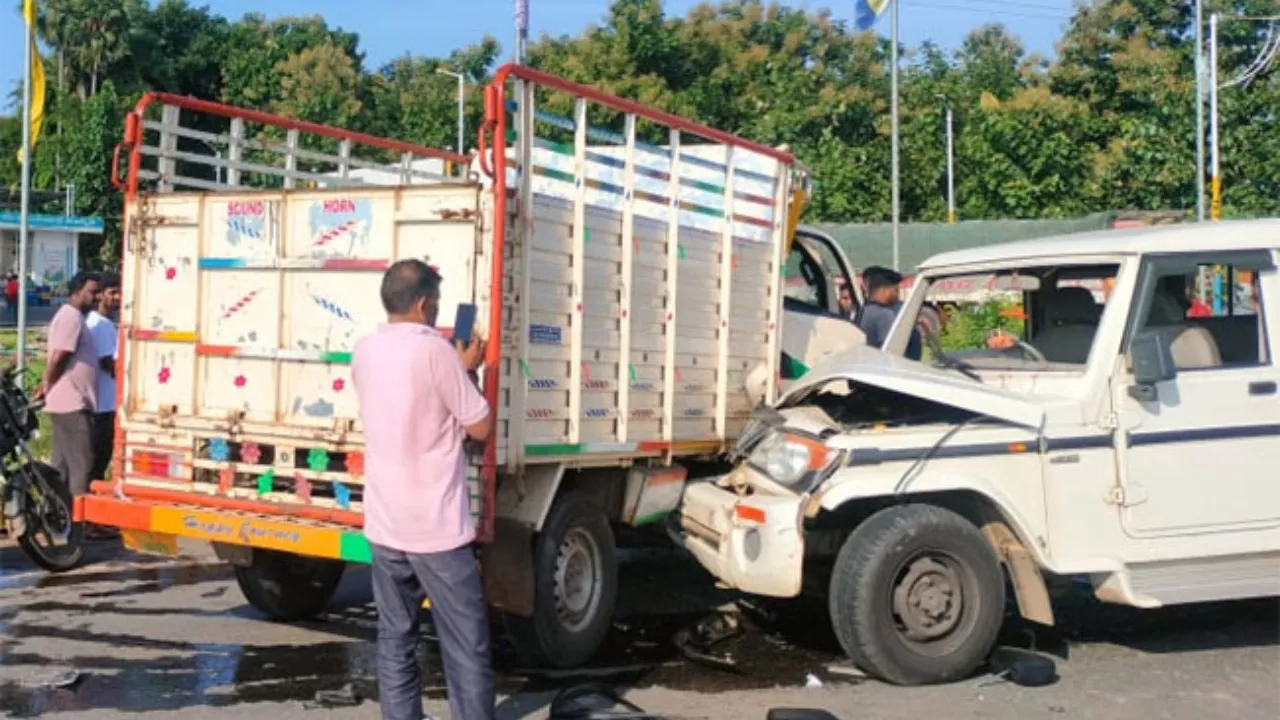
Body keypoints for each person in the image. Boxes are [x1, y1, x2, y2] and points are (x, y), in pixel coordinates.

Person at [352, 260, 494, 720]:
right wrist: (466, 369)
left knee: (396, 638)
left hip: (386, 522)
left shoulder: (365, 350)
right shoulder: (436, 353)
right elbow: (479, 426)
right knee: (465, 644)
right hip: (436, 529)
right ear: (422, 303)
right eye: (434, 302)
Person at [35, 271, 102, 530]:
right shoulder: (71, 317)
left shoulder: (72, 317)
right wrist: (47, 384)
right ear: (76, 291)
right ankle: (76, 525)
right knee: (81, 465)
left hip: (67, 402)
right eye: (92, 292)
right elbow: (61, 355)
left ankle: (57, 519)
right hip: (71, 403)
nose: (96, 297)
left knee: (62, 466)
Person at [86, 271, 122, 484]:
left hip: (103, 402)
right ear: (100, 295)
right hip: (102, 404)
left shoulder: (102, 323)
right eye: (112, 292)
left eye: (119, 293)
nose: (116, 298)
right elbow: (108, 363)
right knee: (98, 459)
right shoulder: (100, 325)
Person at [856, 266, 922, 360]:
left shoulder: (863, 311)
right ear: (883, 290)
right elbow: (893, 353)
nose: (896, 295)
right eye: (895, 290)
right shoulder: (884, 315)